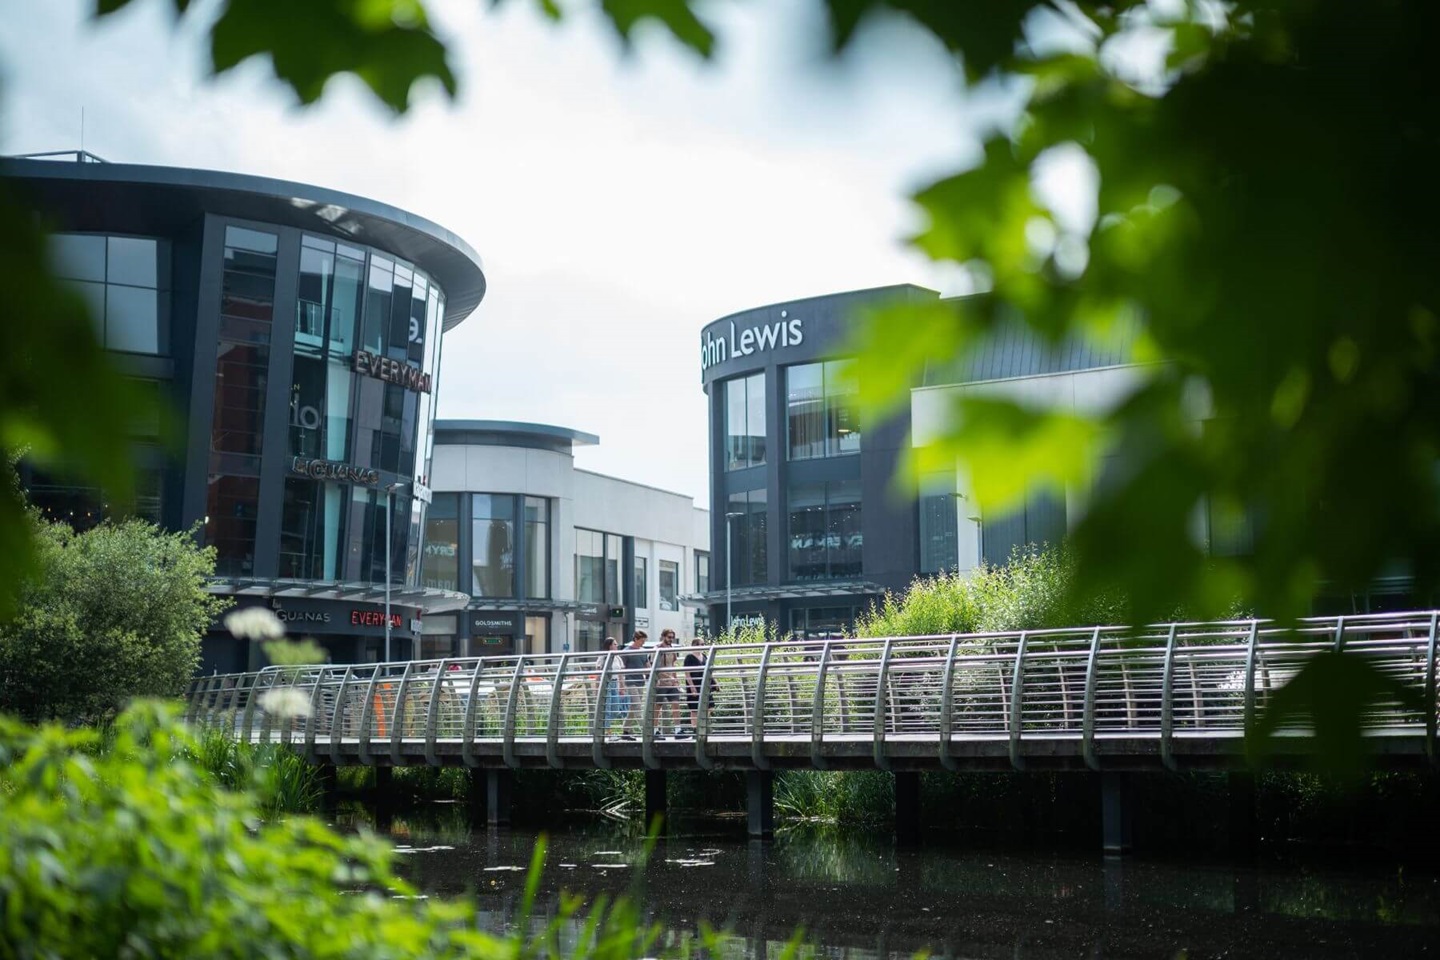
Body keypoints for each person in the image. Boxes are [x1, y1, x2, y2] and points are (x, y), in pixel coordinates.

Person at [619, 630, 649, 738]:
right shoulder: (626, 651)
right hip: (630, 681)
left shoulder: (643, 651)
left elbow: (647, 665)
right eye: (642, 641)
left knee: (633, 707)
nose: (643, 643)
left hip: (640, 681)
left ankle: (625, 730)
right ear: (635, 639)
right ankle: (646, 731)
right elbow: (621, 668)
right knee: (637, 706)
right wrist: (621, 684)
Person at [654, 630, 682, 738]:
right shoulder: (657, 649)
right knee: (657, 706)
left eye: (672, 637)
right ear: (663, 637)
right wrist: (669, 677)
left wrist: (675, 678)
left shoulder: (672, 649)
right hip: (660, 682)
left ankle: (678, 731)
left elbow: (673, 665)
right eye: (669, 637)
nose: (671, 639)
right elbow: (656, 668)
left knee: (676, 704)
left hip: (671, 682)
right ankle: (655, 731)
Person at [682, 636, 711, 734]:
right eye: (701, 644)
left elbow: (708, 671)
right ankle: (695, 729)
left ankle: (702, 725)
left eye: (703, 644)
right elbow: (687, 673)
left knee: (709, 705)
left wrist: (715, 683)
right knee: (694, 708)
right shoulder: (689, 657)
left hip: (704, 684)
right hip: (694, 684)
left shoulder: (704, 656)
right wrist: (692, 687)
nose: (703, 646)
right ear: (695, 645)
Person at [602, 637, 627, 738]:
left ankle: (606, 728)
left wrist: (622, 686)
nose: (617, 646)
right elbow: (599, 672)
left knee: (615, 709)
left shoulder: (617, 657)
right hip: (606, 684)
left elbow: (621, 672)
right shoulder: (603, 657)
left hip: (615, 684)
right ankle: (608, 733)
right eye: (615, 644)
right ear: (610, 646)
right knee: (607, 708)